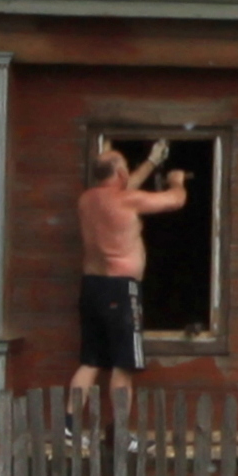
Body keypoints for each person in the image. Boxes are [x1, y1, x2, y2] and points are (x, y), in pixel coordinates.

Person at [72, 138, 187, 397]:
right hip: (120, 289)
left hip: (92, 286)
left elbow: (123, 188)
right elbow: (176, 201)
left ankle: (70, 428)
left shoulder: (87, 200)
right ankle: (122, 437)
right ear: (121, 172)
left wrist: (151, 161)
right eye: (125, 167)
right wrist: (176, 180)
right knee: (124, 365)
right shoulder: (128, 201)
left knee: (90, 362)